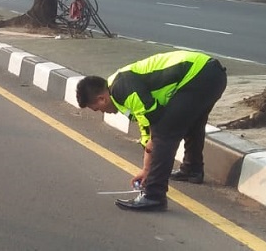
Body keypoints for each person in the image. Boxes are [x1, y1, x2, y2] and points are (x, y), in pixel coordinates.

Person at [75, 50, 227, 211]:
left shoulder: (122, 88)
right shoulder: (118, 90)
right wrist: (147, 169)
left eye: (97, 109)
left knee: (165, 132)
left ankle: (154, 196)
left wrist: (148, 170)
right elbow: (146, 128)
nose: (101, 112)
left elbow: (155, 122)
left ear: (101, 98)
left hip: (200, 75)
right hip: (209, 73)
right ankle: (192, 169)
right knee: (191, 124)